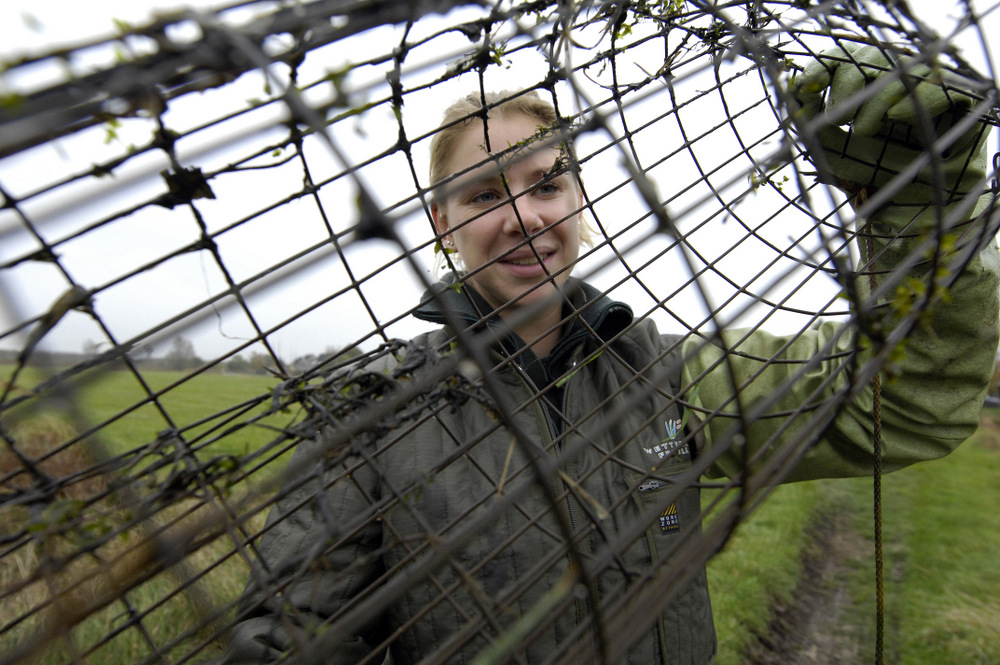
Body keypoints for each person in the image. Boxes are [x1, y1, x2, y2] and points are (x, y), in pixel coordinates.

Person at [222, 44, 999, 665]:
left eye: (546, 185)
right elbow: (297, 635)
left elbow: (898, 405)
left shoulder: (672, 375)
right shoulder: (372, 410)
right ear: (440, 222)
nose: (524, 217)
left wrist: (926, 214)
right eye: (485, 195)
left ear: (582, 202)